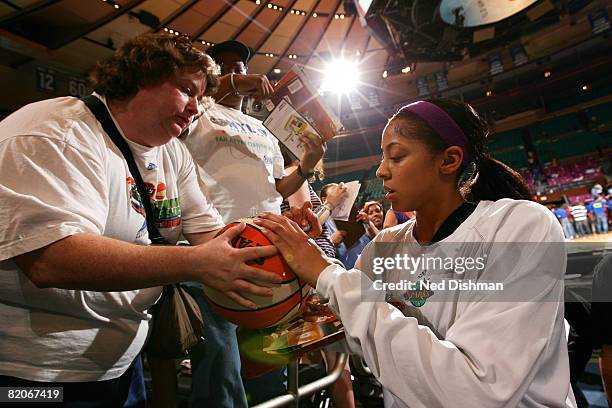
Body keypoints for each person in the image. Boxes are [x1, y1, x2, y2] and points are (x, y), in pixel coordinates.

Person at [0, 33, 285, 407]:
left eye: (200, 97)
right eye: (186, 89)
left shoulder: (173, 152)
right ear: (140, 75)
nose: (195, 108)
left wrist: (275, 238)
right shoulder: (55, 129)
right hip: (34, 373)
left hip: (120, 362)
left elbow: (211, 234)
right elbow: (51, 259)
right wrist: (196, 264)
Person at [254, 99, 576, 406]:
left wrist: (328, 274)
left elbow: (476, 393)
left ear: (448, 160)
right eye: (383, 157)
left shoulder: (518, 226)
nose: (381, 171)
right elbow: (335, 333)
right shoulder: (384, 249)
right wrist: (290, 269)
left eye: (396, 157)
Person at [179, 40, 325, 407]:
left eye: (240, 67)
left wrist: (308, 163)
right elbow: (212, 91)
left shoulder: (264, 129)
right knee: (220, 372)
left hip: (268, 252)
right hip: (216, 248)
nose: (236, 72)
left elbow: (280, 186)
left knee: (268, 367)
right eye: (226, 67)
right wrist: (231, 84)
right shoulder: (199, 112)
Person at [335, 201, 384, 269]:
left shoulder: (388, 231)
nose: (375, 214)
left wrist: (369, 222)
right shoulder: (359, 236)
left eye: (378, 211)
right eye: (370, 213)